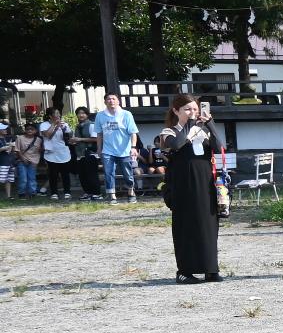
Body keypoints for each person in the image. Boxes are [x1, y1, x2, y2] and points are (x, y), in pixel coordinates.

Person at [155, 94, 223, 282]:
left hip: (205, 183)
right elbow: (176, 144)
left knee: (208, 225)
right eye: (187, 109)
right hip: (182, 185)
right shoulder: (168, 132)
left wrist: (210, 124)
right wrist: (191, 124)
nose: (192, 112)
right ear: (176, 111)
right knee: (186, 226)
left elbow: (219, 147)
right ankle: (185, 271)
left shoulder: (203, 131)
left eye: (195, 109)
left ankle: (211, 268)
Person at [93, 94, 140, 202]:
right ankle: (112, 195)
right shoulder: (100, 115)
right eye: (108, 99)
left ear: (118, 101)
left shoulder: (126, 114)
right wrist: (99, 148)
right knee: (108, 172)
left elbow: (133, 132)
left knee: (127, 174)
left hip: (124, 150)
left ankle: (130, 191)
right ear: (105, 102)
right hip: (108, 150)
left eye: (113, 99)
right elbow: (99, 134)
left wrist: (133, 147)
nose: (111, 101)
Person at [37, 107, 75, 199]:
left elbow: (70, 136)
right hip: (51, 152)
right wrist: (54, 125)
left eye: (59, 113)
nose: (58, 115)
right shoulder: (44, 125)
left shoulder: (64, 123)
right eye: (56, 113)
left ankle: (67, 192)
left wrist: (64, 128)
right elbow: (47, 135)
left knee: (65, 173)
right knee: (53, 174)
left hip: (63, 151)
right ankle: (54, 193)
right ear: (50, 116)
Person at [13, 119, 41, 198]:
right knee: (23, 178)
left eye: (32, 129)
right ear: (25, 130)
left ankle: (32, 193)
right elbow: (17, 150)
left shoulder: (38, 140)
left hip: (33, 162)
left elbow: (40, 151)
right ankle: (21, 193)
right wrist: (23, 159)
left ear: (35, 131)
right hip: (22, 161)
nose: (29, 130)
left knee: (32, 178)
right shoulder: (20, 138)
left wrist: (36, 162)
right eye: (27, 129)